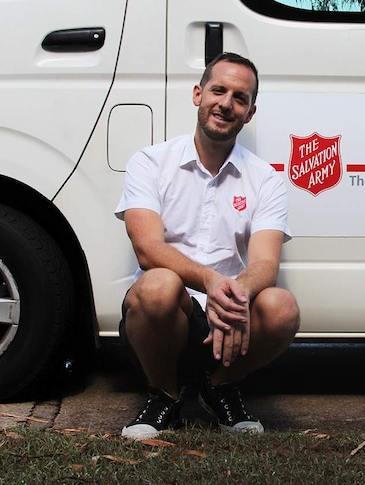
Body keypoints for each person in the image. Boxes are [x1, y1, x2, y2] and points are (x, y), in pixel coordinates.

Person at [114, 52, 300, 440]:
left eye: (240, 97)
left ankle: (219, 387)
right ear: (198, 94)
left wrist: (235, 296)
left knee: (282, 307)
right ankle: (164, 394)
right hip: (164, 317)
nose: (226, 103)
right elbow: (147, 248)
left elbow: (266, 263)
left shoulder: (265, 178)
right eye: (219, 90)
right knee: (158, 283)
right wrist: (211, 282)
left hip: (230, 323)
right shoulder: (151, 162)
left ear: (249, 113)